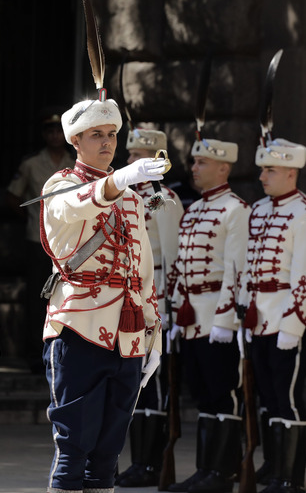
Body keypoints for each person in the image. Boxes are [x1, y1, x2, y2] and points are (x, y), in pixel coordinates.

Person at [39, 94, 165, 493]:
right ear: (75, 141)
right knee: (73, 447)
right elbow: (74, 208)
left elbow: (142, 269)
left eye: (111, 134)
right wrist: (119, 180)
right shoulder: (60, 185)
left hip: (126, 333)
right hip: (79, 327)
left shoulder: (129, 197)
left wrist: (153, 330)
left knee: (108, 455)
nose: (107, 142)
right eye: (96, 135)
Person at [237, 138, 306, 493]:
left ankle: (289, 477)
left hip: (287, 319)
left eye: (270, 170)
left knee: (287, 399)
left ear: (291, 172)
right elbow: (247, 265)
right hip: (258, 319)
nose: (262, 176)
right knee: (266, 397)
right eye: (262, 169)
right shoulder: (258, 210)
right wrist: (243, 312)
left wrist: (295, 324)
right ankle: (273, 466)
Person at [167, 137, 250, 493]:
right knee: (202, 395)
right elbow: (182, 267)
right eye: (194, 162)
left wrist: (225, 320)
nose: (194, 168)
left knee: (223, 394)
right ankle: (206, 469)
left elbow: (236, 270)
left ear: (224, 168)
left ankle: (223, 471)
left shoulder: (235, 209)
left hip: (218, 316)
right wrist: (174, 313)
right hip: (191, 318)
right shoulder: (197, 209)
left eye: (202, 163)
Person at [116, 128, 184, 488]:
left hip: (154, 298)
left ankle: (149, 462)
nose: (129, 161)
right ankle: (132, 459)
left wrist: (169, 305)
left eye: (136, 155)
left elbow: (172, 256)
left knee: (153, 385)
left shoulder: (164, 199)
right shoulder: (123, 195)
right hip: (126, 298)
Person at [6, 109, 75, 372]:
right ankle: (35, 353)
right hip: (38, 240)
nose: (55, 135)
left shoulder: (74, 160)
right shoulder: (32, 163)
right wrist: (34, 218)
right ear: (44, 135)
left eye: (59, 131)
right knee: (38, 296)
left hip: (70, 242)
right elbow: (13, 196)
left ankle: (64, 349)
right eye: (50, 131)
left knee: (68, 295)